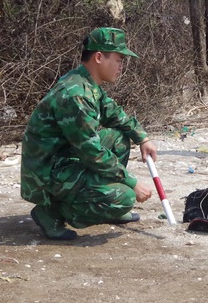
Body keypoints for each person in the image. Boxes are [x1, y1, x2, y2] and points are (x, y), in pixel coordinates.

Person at [21, 27, 157, 240]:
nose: (121, 66)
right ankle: (51, 211)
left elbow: (113, 113)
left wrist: (143, 138)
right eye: (119, 59)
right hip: (49, 171)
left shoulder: (86, 82)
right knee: (124, 198)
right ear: (99, 57)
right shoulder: (76, 93)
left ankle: (98, 201)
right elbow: (90, 151)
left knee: (119, 138)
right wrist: (130, 181)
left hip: (65, 157)